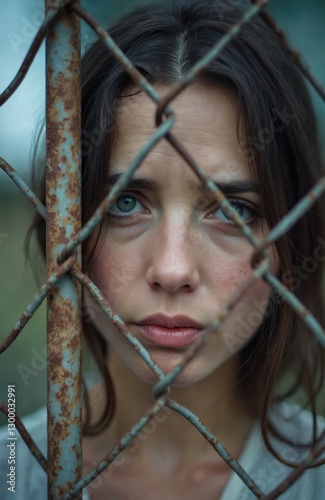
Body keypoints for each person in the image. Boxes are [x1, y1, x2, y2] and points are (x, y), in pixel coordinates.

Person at [1, 0, 325, 498]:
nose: (172, 270)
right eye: (125, 202)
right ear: (70, 230)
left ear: (289, 239)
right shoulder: (11, 471)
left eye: (234, 210)